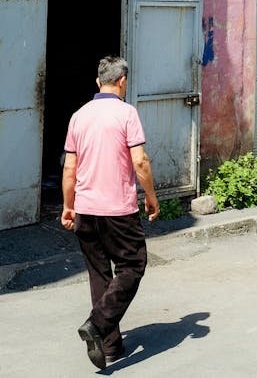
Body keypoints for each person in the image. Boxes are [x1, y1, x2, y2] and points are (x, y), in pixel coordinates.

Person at [61, 55, 160, 370]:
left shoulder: (78, 116)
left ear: (97, 82)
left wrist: (68, 205)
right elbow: (140, 161)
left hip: (86, 211)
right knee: (133, 265)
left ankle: (111, 347)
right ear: (123, 81)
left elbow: (69, 168)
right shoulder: (126, 113)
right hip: (118, 210)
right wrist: (152, 196)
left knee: (100, 274)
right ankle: (97, 324)